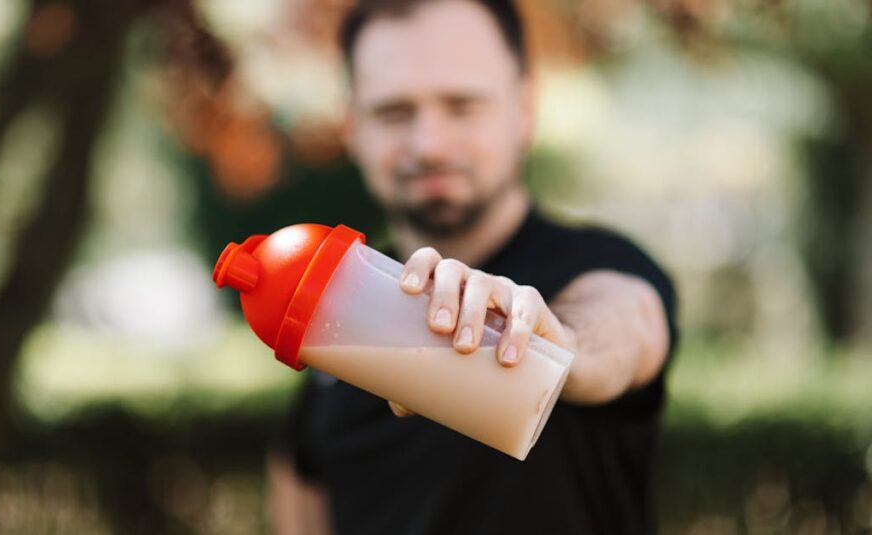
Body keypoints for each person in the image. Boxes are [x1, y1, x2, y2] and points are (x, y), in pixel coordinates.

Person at [267, 0, 678, 533]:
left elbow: (629, 325)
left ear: (525, 109)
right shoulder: (333, 315)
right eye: (394, 112)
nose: (429, 144)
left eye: (462, 106)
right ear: (353, 127)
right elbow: (300, 493)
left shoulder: (601, 268)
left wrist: (558, 349)